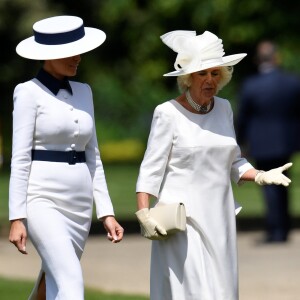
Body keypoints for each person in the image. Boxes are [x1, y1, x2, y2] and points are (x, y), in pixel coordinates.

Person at [135, 30, 293, 300]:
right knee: (195, 292)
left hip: (220, 219)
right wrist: (144, 213)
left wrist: (261, 176)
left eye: (215, 73)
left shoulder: (224, 108)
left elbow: (233, 160)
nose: (210, 80)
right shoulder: (167, 113)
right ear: (187, 78)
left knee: (222, 292)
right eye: (202, 73)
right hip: (183, 221)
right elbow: (151, 168)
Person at [8, 15, 124, 300]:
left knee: (55, 283)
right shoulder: (27, 92)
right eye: (71, 51)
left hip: (80, 205)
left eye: (80, 50)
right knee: (71, 282)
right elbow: (20, 158)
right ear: (49, 55)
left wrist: (106, 211)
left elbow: (93, 155)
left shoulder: (85, 92)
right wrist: (16, 217)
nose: (79, 57)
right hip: (41, 198)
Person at [237, 40, 300, 243]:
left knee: (268, 185)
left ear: (257, 60)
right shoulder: (292, 82)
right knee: (283, 183)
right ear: (276, 57)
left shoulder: (251, 85)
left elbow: (243, 117)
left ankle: (275, 230)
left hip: (261, 143)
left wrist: (240, 142)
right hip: (286, 141)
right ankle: (284, 228)